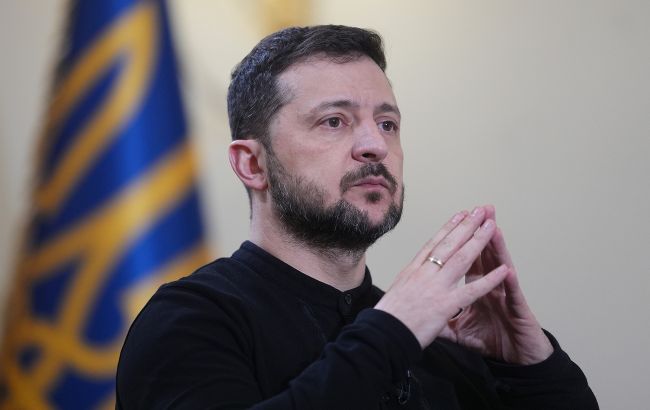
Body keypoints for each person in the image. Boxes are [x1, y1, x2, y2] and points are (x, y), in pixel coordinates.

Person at [116, 25, 598, 409]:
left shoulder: (442, 336)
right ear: (253, 164)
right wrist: (392, 333)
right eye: (334, 121)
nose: (375, 145)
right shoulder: (189, 321)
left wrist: (531, 367)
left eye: (387, 124)